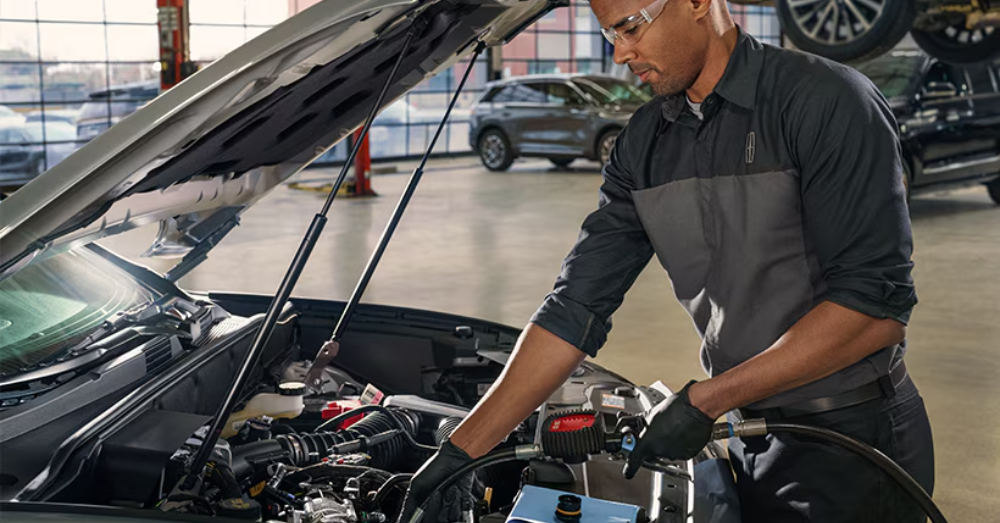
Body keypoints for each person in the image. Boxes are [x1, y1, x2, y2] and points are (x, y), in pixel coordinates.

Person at [396, 0, 934, 521]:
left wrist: (707, 400)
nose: (620, 54)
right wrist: (461, 451)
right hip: (748, 440)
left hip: (853, 440)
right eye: (611, 34)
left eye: (630, 27)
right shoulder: (642, 147)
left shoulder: (825, 100)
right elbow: (574, 307)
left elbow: (873, 311)